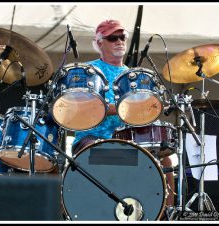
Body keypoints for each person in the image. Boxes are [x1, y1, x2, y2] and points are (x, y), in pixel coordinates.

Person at [71, 19, 175, 214]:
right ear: (99, 42)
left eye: (122, 37)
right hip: (92, 139)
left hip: (127, 140)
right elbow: (82, 109)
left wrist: (150, 108)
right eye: (113, 38)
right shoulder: (87, 71)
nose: (119, 41)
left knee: (165, 158)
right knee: (110, 154)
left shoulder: (133, 75)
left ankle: (166, 213)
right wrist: (122, 108)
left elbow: (140, 114)